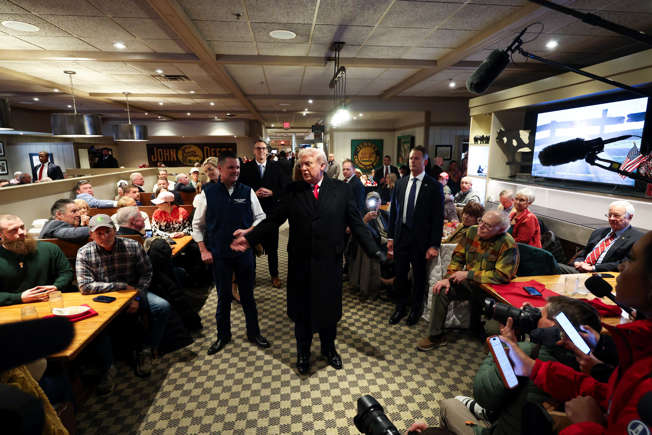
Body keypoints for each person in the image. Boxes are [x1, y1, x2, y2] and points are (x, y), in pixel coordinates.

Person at [231, 148, 382, 374]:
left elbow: (357, 224)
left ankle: (329, 349)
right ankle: (303, 353)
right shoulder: (293, 190)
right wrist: (250, 237)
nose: (303, 168)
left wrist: (374, 251)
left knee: (329, 311)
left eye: (308, 164)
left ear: (322, 166)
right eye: (301, 164)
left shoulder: (341, 190)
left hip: (329, 263)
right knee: (302, 314)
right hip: (301, 264)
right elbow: (273, 220)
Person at [497, 230, 652, 435]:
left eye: (631, 259)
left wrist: (588, 425)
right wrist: (532, 367)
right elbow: (612, 396)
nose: (621, 266)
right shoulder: (638, 348)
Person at [429, 297, 602, 435]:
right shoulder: (597, 367)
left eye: (540, 315)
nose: (535, 318)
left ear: (554, 327)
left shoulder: (528, 354)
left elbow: (483, 394)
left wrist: (504, 347)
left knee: (449, 405)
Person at [193, 151, 269, 356]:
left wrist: (248, 231)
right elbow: (197, 225)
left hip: (244, 253)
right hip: (219, 255)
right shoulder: (207, 193)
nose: (235, 171)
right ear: (220, 169)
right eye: (231, 168)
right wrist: (203, 250)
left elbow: (261, 218)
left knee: (248, 296)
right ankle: (223, 336)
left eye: (238, 168)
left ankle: (254, 333)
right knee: (223, 297)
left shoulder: (247, 191)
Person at [76, 214, 171, 377]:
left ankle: (147, 349)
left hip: (134, 292)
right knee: (94, 323)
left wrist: (137, 297)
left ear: (115, 230)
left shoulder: (132, 245)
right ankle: (107, 366)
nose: (104, 236)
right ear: (91, 235)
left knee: (162, 307)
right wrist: (120, 286)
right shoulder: (84, 252)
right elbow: (85, 286)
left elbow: (147, 273)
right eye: (99, 233)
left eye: (108, 231)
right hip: (103, 297)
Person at [417, 210, 519, 350]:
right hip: (471, 285)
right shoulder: (472, 231)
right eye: (481, 221)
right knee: (441, 289)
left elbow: (501, 276)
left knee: (494, 341)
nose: (481, 226)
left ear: (500, 230)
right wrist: (448, 278)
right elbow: (457, 258)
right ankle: (436, 336)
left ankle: (486, 336)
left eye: (488, 225)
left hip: (492, 292)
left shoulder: (508, 243)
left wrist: (468, 274)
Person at [388, 145, 444, 326]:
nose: (412, 161)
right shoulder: (401, 183)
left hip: (421, 240)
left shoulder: (434, 186)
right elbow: (394, 213)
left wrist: (434, 245)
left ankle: (415, 309)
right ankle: (400, 307)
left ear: (425, 162)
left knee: (419, 277)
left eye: (417, 158)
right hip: (401, 236)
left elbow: (437, 218)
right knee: (400, 274)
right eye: (411, 158)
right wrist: (390, 237)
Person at [239, 140, 290, 288]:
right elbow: (240, 188)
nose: (261, 151)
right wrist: (252, 194)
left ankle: (274, 275)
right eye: (258, 148)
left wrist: (273, 193)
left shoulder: (277, 167)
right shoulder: (246, 168)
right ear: (254, 151)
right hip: (252, 214)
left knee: (273, 248)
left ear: (267, 151)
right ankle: (252, 276)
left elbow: (285, 189)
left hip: (271, 214)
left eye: (263, 148)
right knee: (252, 246)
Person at [0, 214, 72, 306]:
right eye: (13, 230)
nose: (22, 232)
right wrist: (19, 297)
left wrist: (56, 286)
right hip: (14, 307)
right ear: (0, 235)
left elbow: (66, 272)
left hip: (52, 302)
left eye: (22, 227)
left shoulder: (50, 248)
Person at [558, 200, 643, 273]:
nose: (611, 218)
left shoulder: (637, 238)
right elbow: (584, 253)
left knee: (554, 265)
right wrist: (578, 262)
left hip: (601, 275)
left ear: (630, 217)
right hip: (579, 269)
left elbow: (625, 264)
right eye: (609, 215)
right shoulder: (599, 232)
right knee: (552, 264)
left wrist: (593, 268)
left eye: (616, 215)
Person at [349, 191, 389, 299]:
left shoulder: (385, 214)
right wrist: (365, 220)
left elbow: (392, 231)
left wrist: (391, 241)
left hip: (388, 243)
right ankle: (370, 288)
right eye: (371, 200)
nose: (374, 203)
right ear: (366, 203)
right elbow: (354, 231)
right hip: (373, 245)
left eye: (377, 200)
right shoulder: (362, 215)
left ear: (380, 202)